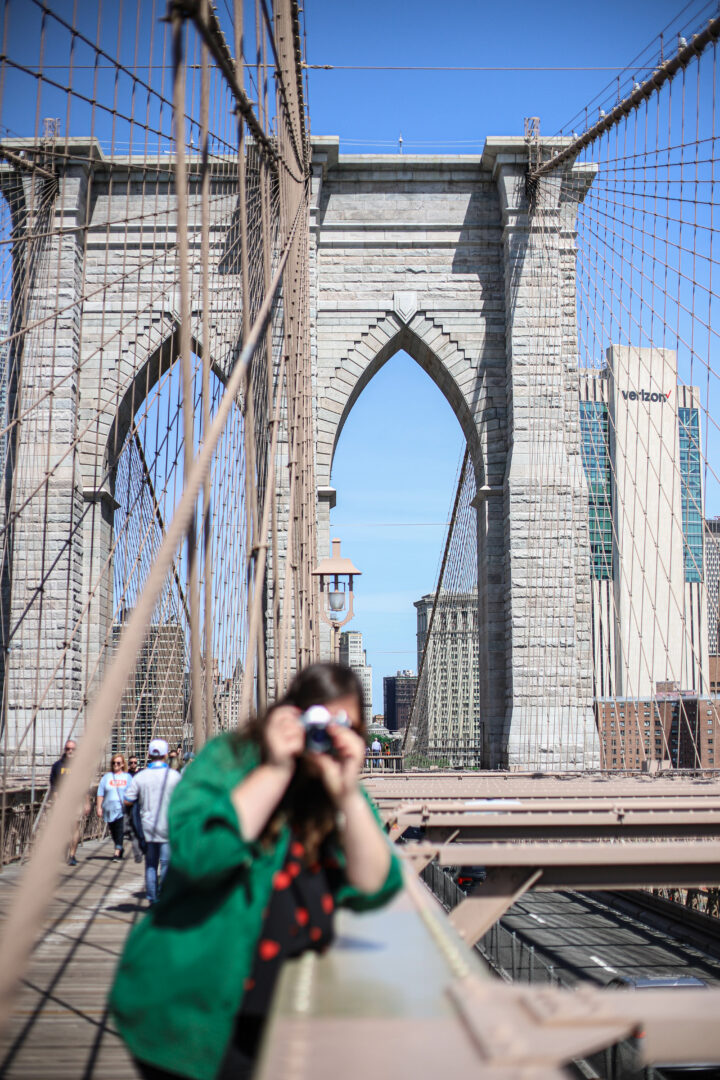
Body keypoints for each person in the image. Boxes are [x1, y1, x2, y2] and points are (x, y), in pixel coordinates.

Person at [109, 662, 403, 1080]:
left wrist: (348, 792)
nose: (327, 737)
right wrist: (276, 769)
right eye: (318, 720)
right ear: (290, 714)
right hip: (189, 1011)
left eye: (344, 726)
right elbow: (199, 855)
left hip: (287, 1021)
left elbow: (375, 884)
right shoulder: (231, 760)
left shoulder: (333, 790)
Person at [123, 739, 181, 905]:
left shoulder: (141, 777)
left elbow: (128, 800)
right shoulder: (174, 776)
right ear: (165, 755)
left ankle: (152, 899)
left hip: (147, 827)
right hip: (168, 826)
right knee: (165, 864)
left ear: (149, 754)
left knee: (150, 865)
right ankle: (163, 897)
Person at [49, 739, 90, 866]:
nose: (70, 751)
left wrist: (87, 803)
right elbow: (54, 785)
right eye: (67, 749)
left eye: (72, 749)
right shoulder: (57, 766)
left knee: (74, 827)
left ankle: (72, 854)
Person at [96, 754, 133, 860]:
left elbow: (132, 792)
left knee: (120, 829)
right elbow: (100, 793)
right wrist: (99, 807)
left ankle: (117, 852)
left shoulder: (127, 777)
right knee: (113, 830)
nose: (116, 765)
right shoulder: (106, 778)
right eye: (114, 763)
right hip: (109, 809)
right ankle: (120, 847)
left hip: (122, 808)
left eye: (118, 763)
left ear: (122, 764)